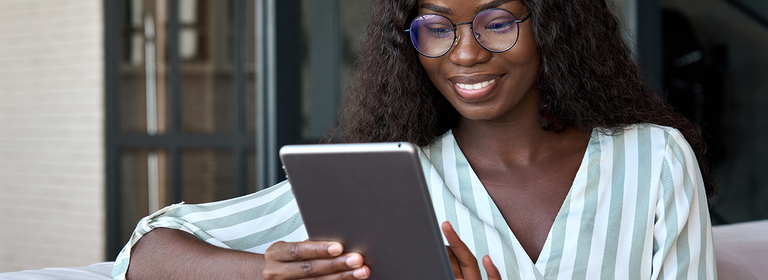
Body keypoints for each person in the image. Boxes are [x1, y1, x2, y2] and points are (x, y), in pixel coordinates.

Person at [112, 0, 717, 279]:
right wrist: (264, 272)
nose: (467, 52)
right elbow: (147, 251)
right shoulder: (387, 181)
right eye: (436, 27)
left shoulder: (654, 158)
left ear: (555, 23)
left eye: (498, 22)